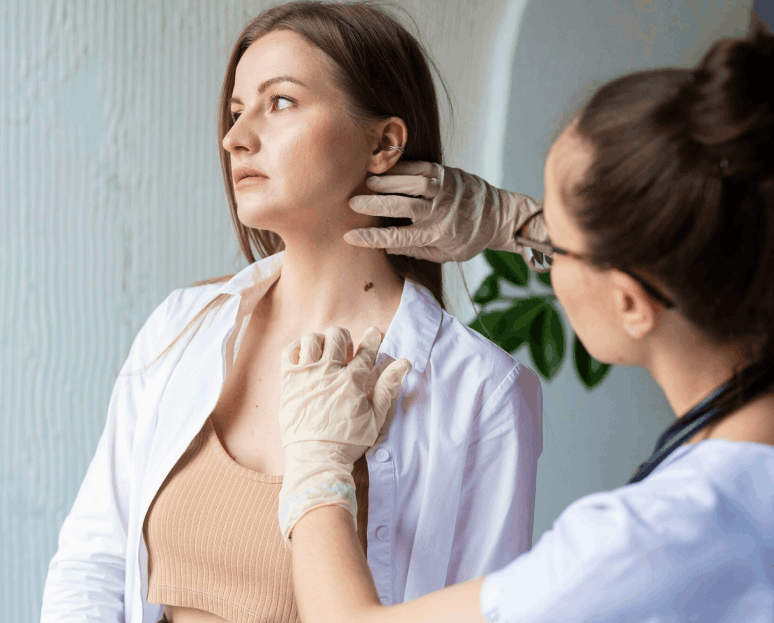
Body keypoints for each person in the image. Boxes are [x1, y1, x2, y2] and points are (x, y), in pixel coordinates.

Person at [40, 3, 545, 623]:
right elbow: (91, 561)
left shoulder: (482, 393)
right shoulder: (182, 327)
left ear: (384, 143)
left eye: (280, 102)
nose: (235, 137)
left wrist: (528, 224)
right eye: (235, 112)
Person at [274, 16, 774, 623]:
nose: (539, 255)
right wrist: (518, 224)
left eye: (553, 245)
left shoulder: (647, 540)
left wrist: (318, 473)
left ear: (629, 304)